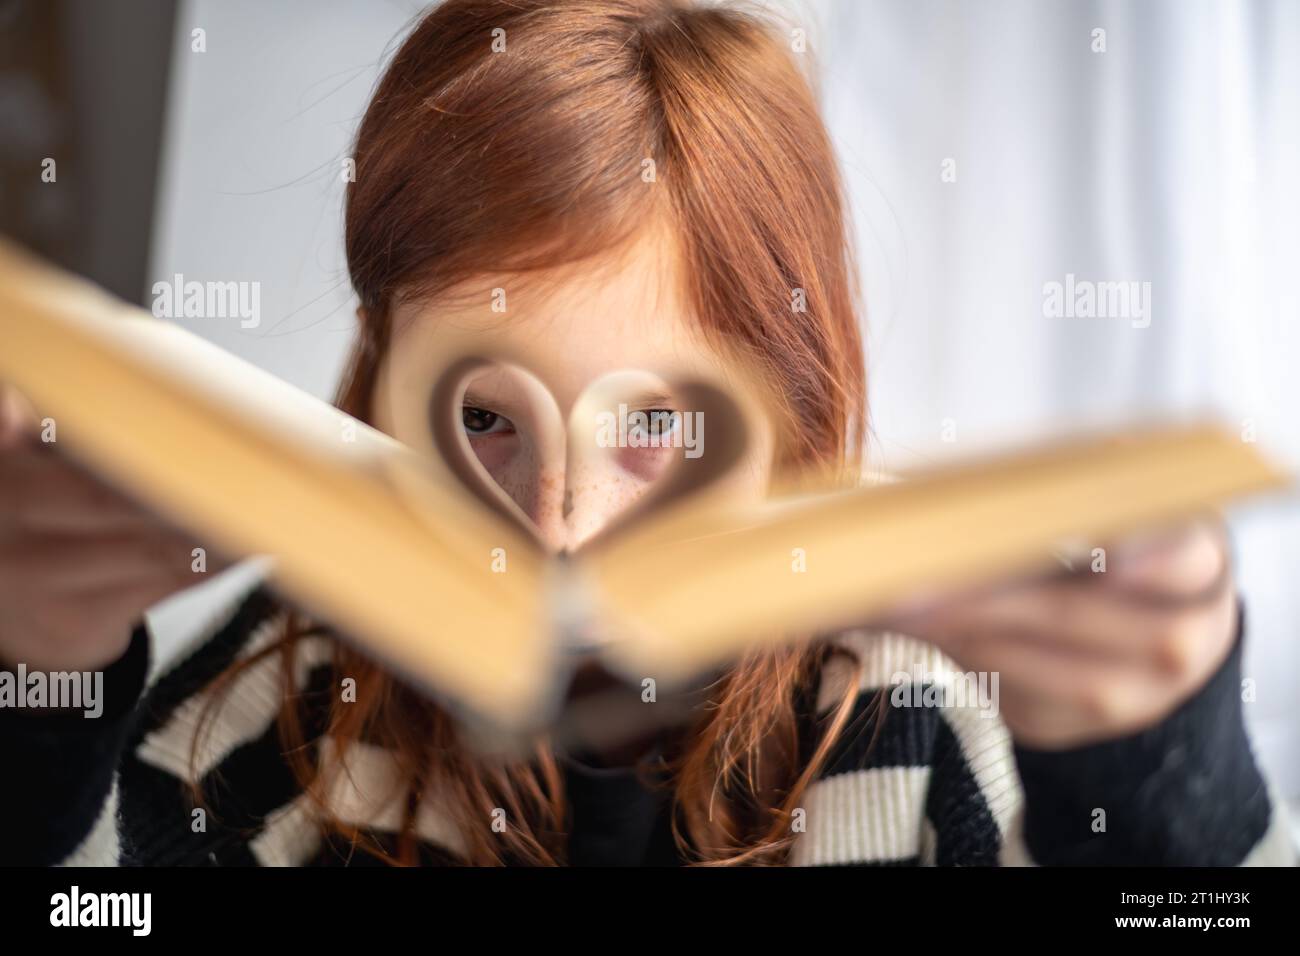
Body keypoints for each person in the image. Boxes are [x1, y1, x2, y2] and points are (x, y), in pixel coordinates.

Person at [0, 0, 1291, 866]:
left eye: (659, 423)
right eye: (488, 420)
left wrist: (1161, 770)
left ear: (790, 407)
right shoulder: (253, 717)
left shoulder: (924, 719)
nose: (559, 529)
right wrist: (35, 693)